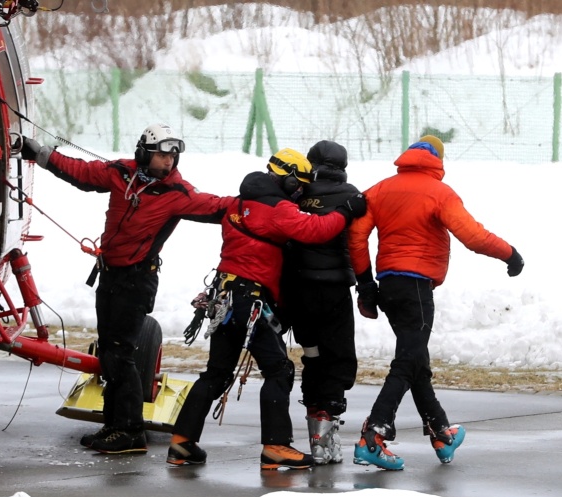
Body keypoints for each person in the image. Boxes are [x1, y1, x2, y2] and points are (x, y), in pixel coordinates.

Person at [19, 124, 236, 455]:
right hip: (109, 275)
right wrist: (40, 154)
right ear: (144, 153)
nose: (169, 161)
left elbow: (221, 206)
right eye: (162, 155)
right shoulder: (121, 172)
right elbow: (80, 172)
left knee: (121, 351)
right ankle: (114, 423)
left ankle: (131, 430)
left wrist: (260, 198)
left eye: (173, 156)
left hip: (138, 280)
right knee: (108, 350)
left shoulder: (177, 193)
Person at [166, 148, 367, 470]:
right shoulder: (278, 208)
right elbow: (316, 230)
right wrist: (346, 210)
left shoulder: (237, 201)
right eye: (298, 184)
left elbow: (203, 205)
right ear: (287, 178)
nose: (301, 191)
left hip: (224, 296)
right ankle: (275, 446)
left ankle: (182, 442)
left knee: (217, 373)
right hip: (250, 301)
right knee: (280, 370)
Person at [348, 135, 524, 471]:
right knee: (407, 361)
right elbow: (472, 236)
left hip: (389, 286)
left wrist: (366, 285)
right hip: (416, 288)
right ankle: (373, 435)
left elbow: (356, 236)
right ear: (438, 160)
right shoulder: (439, 192)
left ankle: (441, 433)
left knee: (416, 361)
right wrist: (510, 255)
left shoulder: (380, 189)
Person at [280, 140, 360, 465]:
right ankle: (328, 428)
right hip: (335, 290)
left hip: (300, 290)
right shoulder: (352, 196)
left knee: (312, 354)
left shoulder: (297, 193)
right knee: (338, 357)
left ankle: (315, 422)